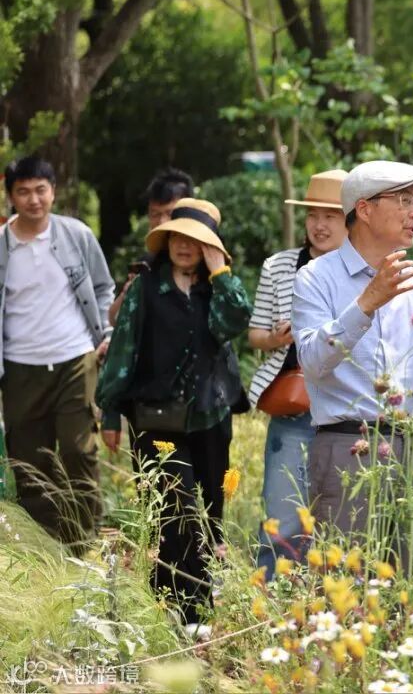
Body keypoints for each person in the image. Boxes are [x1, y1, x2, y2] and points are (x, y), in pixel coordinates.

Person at [292, 160, 413, 574]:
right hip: (347, 448)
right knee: (344, 582)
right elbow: (314, 363)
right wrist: (365, 304)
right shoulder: (314, 278)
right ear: (365, 208)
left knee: (412, 579)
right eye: (405, 201)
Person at [96, 198, 251, 634]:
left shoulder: (216, 288)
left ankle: (177, 598)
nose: (184, 246)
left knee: (209, 512)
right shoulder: (146, 287)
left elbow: (235, 322)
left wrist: (220, 272)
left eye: (196, 240)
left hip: (209, 416)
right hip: (154, 417)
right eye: (177, 237)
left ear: (210, 247)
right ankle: (190, 611)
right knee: (174, 508)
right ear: (165, 241)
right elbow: (123, 351)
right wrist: (110, 411)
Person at [0, 156, 114, 553]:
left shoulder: (76, 235)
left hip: (74, 357)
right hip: (19, 365)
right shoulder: (3, 246)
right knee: (30, 459)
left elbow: (103, 287)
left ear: (53, 192)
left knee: (78, 450)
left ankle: (83, 543)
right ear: (11, 196)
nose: (33, 199)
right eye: (23, 192)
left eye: (41, 190)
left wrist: (106, 333)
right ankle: (44, 549)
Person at [248, 170, 348, 576]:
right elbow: (255, 334)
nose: (319, 225)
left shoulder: (364, 269)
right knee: (283, 516)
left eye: (330, 216)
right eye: (312, 215)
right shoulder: (278, 266)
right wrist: (277, 337)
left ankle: (331, 602)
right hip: (294, 406)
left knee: (342, 523)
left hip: (346, 410)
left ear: (351, 219)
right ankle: (272, 599)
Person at [109, 168, 195, 326]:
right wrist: (128, 294)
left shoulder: (205, 260)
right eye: (155, 214)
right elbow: (115, 320)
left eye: (170, 213)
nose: (162, 222)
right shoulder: (146, 265)